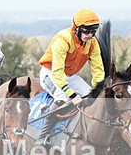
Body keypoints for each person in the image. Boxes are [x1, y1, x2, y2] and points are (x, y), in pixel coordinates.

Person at [34, 8, 105, 147]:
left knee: (91, 97)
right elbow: (57, 72)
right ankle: (43, 137)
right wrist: (72, 95)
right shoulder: (63, 39)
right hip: (51, 73)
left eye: (92, 32)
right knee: (63, 97)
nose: (89, 35)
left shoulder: (92, 43)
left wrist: (98, 89)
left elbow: (97, 70)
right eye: (86, 31)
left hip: (70, 76)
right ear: (77, 28)